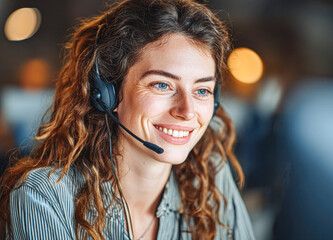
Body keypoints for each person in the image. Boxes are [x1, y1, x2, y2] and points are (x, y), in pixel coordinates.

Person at [0, 0, 255, 239]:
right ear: (107, 93)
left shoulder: (210, 177)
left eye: (202, 90)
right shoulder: (44, 196)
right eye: (162, 85)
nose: (187, 111)